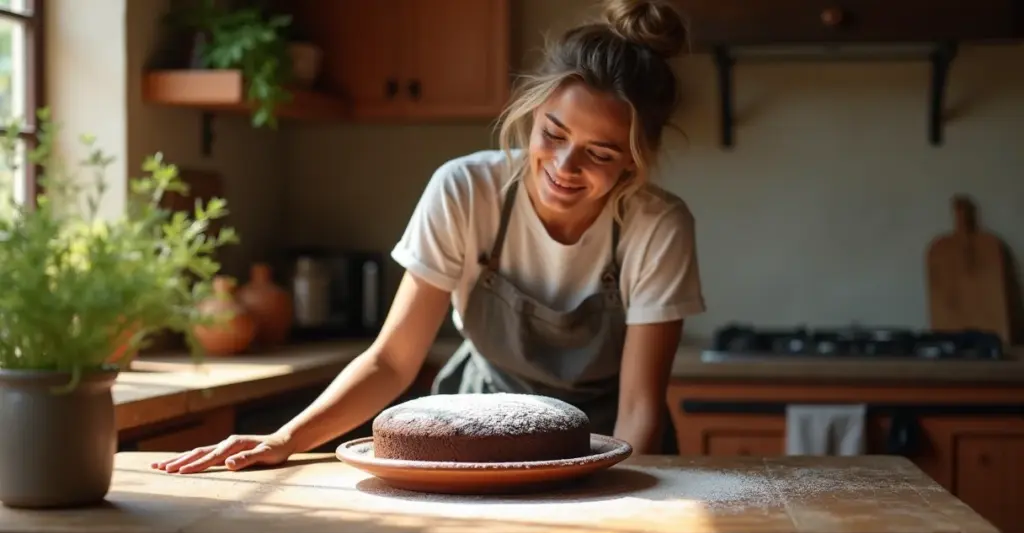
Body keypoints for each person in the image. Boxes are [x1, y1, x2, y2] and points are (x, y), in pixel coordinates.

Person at [152, 0, 705, 475]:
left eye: (600, 153)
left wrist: (623, 500)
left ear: (635, 160)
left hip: (610, 445)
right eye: (553, 134)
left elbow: (639, 406)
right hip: (478, 433)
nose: (564, 164)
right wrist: (284, 439)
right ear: (532, 113)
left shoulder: (657, 225)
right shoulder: (466, 189)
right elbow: (392, 361)